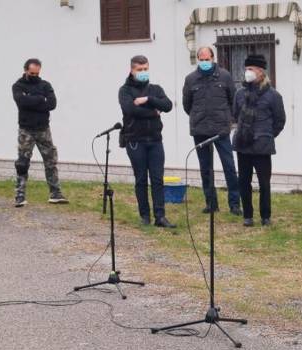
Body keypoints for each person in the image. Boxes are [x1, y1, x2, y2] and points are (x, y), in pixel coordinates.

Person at [182, 46, 241, 216]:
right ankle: (211, 203)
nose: (204, 62)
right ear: (198, 60)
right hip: (200, 129)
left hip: (221, 129)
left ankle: (234, 204)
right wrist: (199, 115)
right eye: (201, 59)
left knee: (229, 166)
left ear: (213, 58)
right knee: (205, 168)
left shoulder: (225, 76)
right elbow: (187, 105)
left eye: (207, 59)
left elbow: (233, 100)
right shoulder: (191, 79)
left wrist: (227, 118)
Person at [118, 55, 175, 228]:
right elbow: (130, 110)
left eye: (145, 69)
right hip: (135, 140)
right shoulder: (125, 90)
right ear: (132, 70)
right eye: (139, 70)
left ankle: (160, 216)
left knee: (157, 179)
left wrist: (148, 100)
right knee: (141, 179)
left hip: (155, 140)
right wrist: (153, 112)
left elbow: (168, 105)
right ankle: (145, 216)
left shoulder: (155, 89)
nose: (143, 72)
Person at [232, 54, 286, 227]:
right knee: (243, 181)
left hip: (262, 145)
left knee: (264, 182)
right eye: (246, 69)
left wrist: (267, 134)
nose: (248, 72)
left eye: (251, 69)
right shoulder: (240, 94)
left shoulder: (273, 95)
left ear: (261, 72)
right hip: (243, 143)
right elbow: (235, 115)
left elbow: (279, 121)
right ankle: (247, 215)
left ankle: (265, 216)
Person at [11, 58, 68, 207]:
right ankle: (20, 195)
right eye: (32, 73)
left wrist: (31, 100)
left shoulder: (45, 85)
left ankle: (55, 193)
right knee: (22, 163)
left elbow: (52, 104)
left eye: (37, 73)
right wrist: (40, 100)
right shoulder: (17, 86)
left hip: (43, 129)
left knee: (51, 161)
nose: (34, 75)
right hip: (26, 130)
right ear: (25, 70)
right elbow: (21, 102)